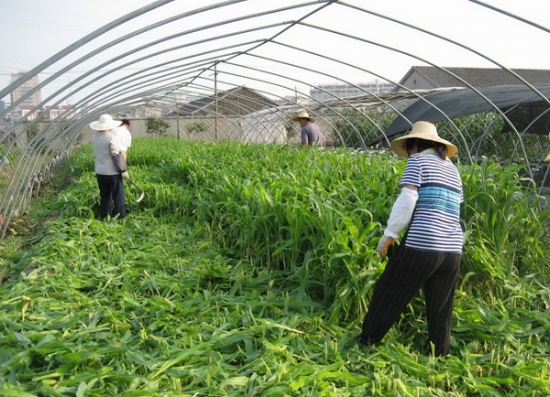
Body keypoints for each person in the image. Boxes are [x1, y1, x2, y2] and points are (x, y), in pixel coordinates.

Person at [358, 121, 463, 356]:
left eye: (408, 149)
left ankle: (366, 341)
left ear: (415, 144)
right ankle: (441, 354)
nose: (408, 155)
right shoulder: (453, 171)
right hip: (453, 249)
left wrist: (389, 235)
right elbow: (455, 208)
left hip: (423, 243)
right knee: (441, 305)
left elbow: (408, 199)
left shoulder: (417, 162)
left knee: (390, 290)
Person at [90, 114, 130, 219]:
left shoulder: (95, 137)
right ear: (109, 126)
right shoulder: (111, 137)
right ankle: (121, 217)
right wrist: (123, 170)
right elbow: (116, 155)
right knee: (118, 196)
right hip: (112, 172)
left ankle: (104, 217)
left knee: (105, 195)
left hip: (100, 171)